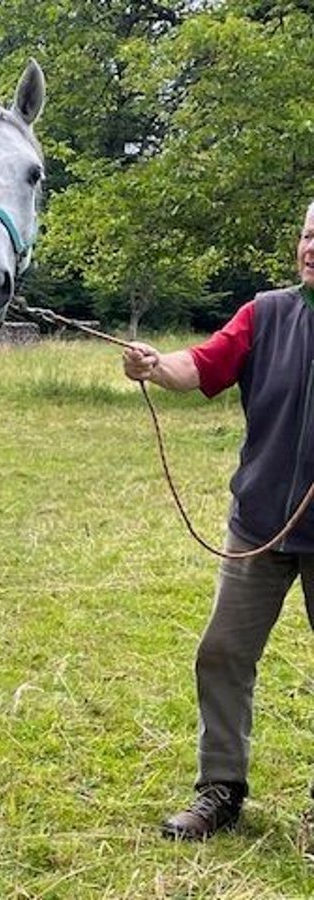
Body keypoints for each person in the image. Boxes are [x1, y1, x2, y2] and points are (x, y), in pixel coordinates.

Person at [122, 200, 314, 841]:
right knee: (222, 653)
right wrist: (156, 365)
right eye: (308, 234)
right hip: (258, 525)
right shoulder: (266, 313)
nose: (311, 247)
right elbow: (200, 364)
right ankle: (220, 791)